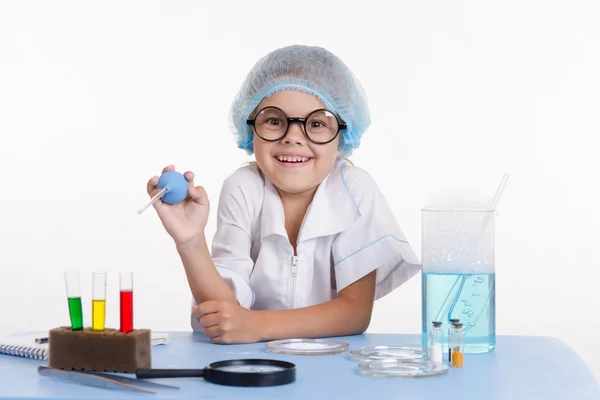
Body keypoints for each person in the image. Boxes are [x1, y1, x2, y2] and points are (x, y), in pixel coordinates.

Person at [145, 45, 420, 344]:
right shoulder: (242, 188)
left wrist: (257, 326)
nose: (293, 136)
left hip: (332, 368)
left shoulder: (354, 190)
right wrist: (190, 241)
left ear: (343, 135)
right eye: (275, 120)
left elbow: (355, 313)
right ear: (251, 129)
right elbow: (224, 312)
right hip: (254, 368)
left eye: (316, 123)